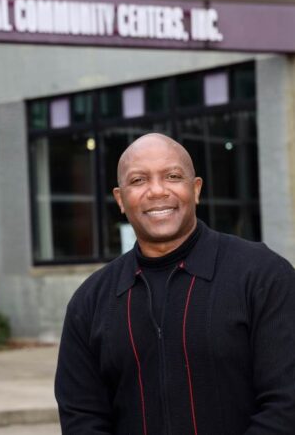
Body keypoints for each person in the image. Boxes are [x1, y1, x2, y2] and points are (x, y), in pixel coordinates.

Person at [55, 133, 295, 435]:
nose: (157, 190)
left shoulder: (262, 275)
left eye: (172, 176)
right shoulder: (90, 301)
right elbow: (82, 418)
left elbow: (286, 405)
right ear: (120, 199)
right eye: (139, 180)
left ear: (195, 189)